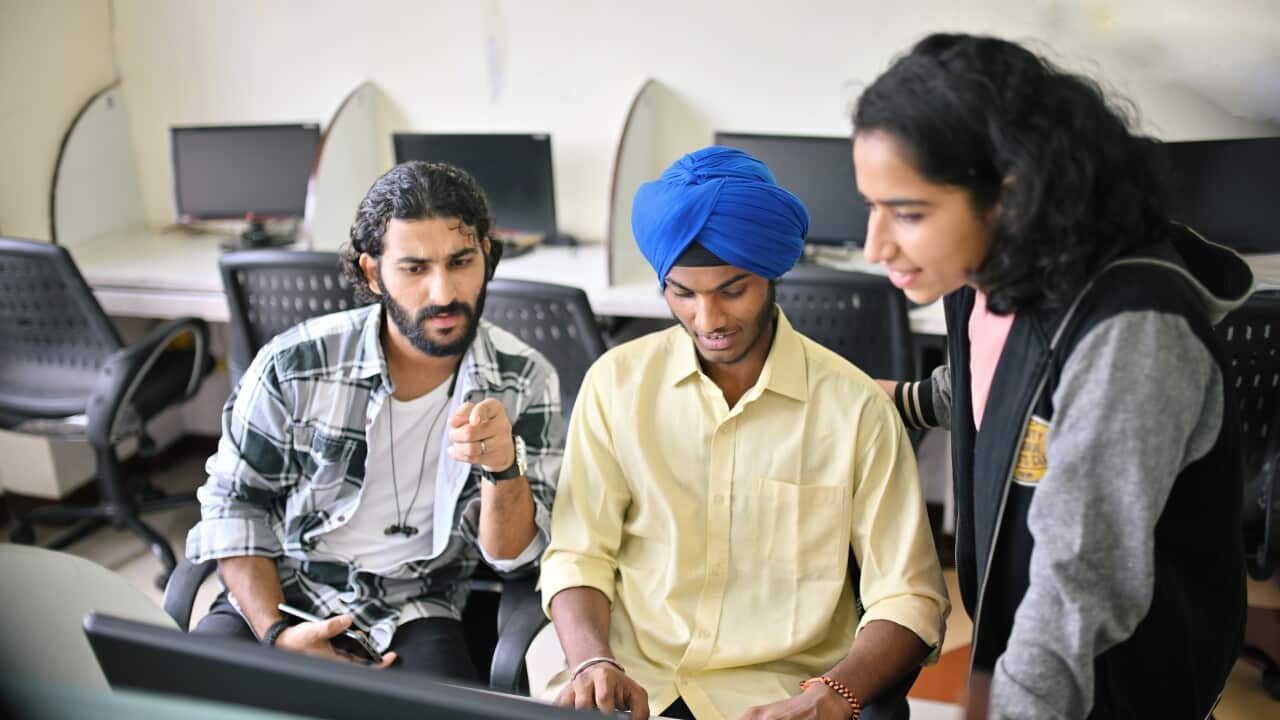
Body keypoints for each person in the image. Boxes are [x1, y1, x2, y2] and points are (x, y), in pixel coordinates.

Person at [854, 34, 1252, 719]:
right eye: (873, 206)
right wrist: (904, 400)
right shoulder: (990, 271)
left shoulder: (1132, 332)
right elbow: (1002, 381)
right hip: (1024, 648)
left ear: (1010, 191)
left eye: (908, 213)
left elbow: (1081, 582)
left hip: (1110, 685)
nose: (875, 245)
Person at [539, 146, 949, 720]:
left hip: (774, 694)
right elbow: (579, 554)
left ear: (772, 274)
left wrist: (837, 693)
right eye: (682, 293)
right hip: (632, 677)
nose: (708, 320)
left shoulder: (854, 409)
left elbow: (909, 597)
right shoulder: (615, 384)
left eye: (733, 290)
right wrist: (591, 663)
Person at [185, 161, 562, 680]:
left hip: (415, 603)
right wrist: (276, 633)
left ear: (487, 258)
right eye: (414, 268)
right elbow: (234, 504)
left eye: (461, 262)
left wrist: (503, 469)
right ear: (372, 272)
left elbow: (515, 561)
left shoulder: (524, 380)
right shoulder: (295, 364)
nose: (444, 293)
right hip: (290, 585)